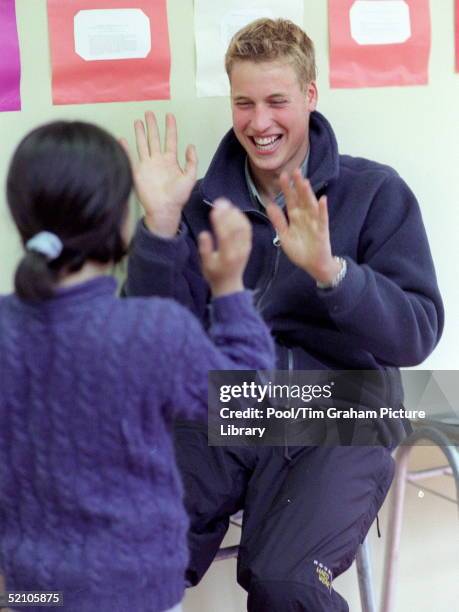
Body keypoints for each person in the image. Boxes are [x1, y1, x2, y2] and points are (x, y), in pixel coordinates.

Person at [124, 19, 444, 611]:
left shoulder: (374, 193)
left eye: (277, 101)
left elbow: (417, 333)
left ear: (311, 95)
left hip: (345, 411)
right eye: (244, 102)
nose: (259, 121)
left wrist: (333, 274)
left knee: (286, 583)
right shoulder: (198, 205)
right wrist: (161, 229)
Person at [0, 120, 275, 612]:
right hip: (139, 590)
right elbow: (246, 402)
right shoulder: (152, 330)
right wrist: (230, 289)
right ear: (120, 221)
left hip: (31, 590)